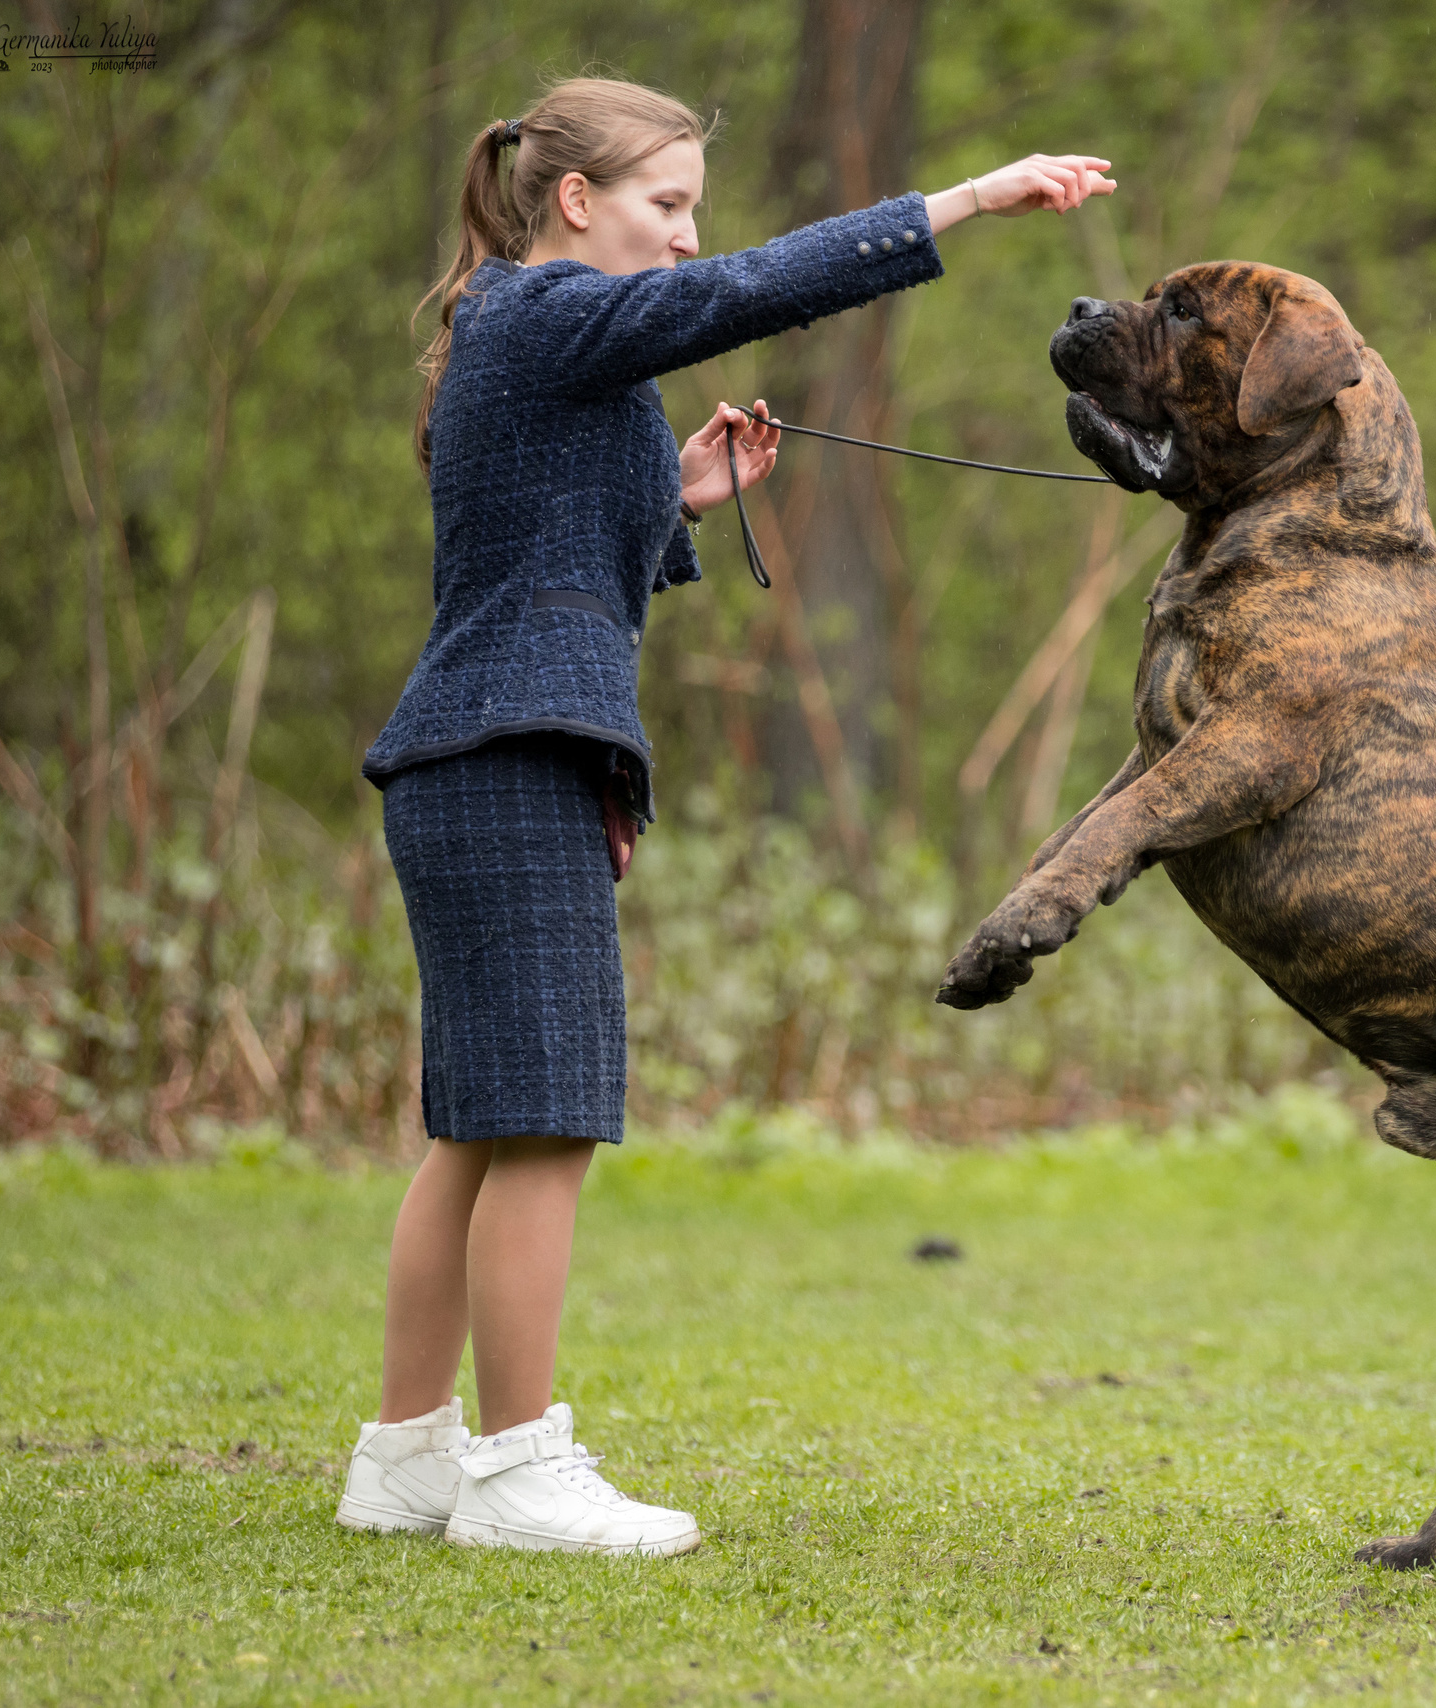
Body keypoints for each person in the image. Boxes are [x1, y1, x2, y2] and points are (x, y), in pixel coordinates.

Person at [333, 73, 1113, 1556]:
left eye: (696, 208)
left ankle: (409, 1462)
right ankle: (515, 1471)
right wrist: (963, 201)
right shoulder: (549, 312)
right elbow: (760, 289)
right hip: (501, 756)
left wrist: (679, 503)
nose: (692, 239)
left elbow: (546, 561)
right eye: (667, 204)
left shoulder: (539, 338)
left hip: (486, 753)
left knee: (480, 1130)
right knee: (542, 1124)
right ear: (578, 200)